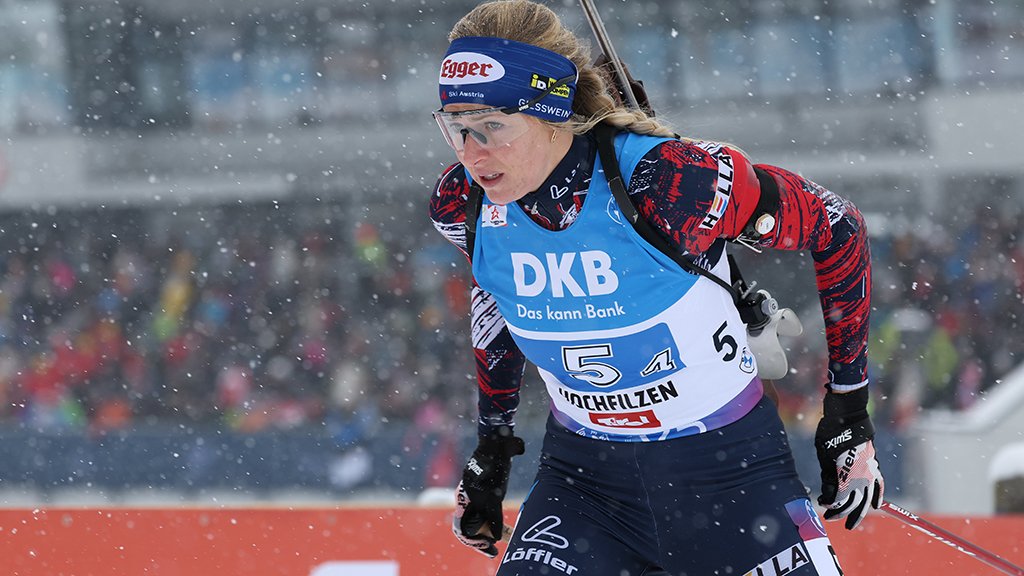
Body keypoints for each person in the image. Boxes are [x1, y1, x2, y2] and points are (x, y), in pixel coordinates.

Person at [428, 1, 885, 574]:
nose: (472, 154)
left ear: (549, 112)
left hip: (730, 480)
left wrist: (847, 411)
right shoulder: (465, 205)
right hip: (585, 489)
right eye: (457, 129)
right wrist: (493, 446)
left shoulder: (670, 182)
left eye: (492, 127)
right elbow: (496, 294)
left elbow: (837, 226)